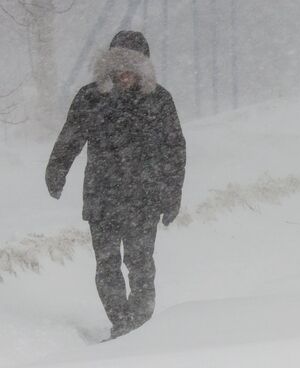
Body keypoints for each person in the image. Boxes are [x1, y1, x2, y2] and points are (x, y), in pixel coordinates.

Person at [45, 31, 186, 340]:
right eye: (119, 65)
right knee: (107, 265)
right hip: (102, 198)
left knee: (140, 265)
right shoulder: (90, 97)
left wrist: (171, 194)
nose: (125, 73)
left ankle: (139, 326)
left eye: (132, 66)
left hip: (144, 199)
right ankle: (121, 323)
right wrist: (57, 169)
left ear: (143, 69)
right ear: (108, 65)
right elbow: (70, 137)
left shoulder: (159, 100)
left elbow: (173, 150)